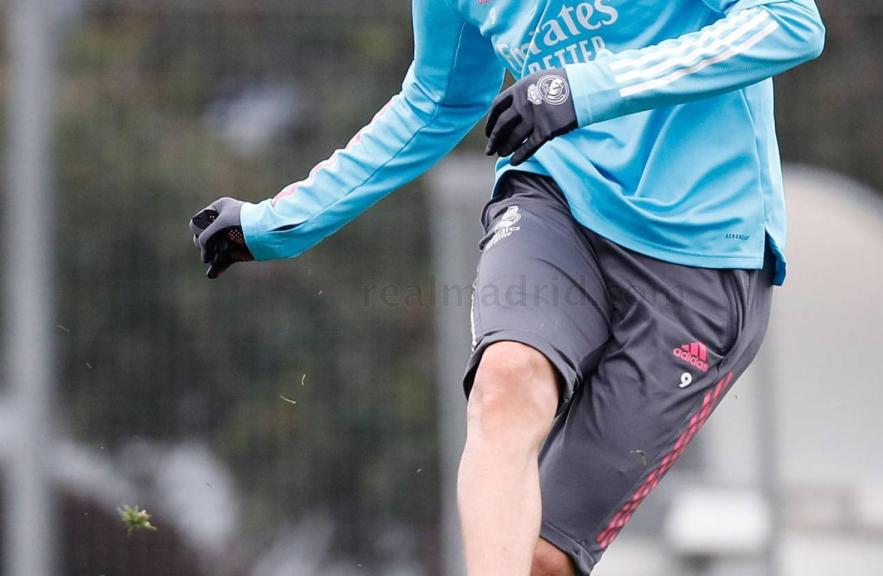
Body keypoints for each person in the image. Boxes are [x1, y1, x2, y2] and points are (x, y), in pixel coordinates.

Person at [190, 1, 825, 574]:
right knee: (506, 380)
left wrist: (585, 88)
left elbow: (790, 24)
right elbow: (437, 101)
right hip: (555, 200)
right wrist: (277, 224)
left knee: (545, 562)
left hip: (704, 254)